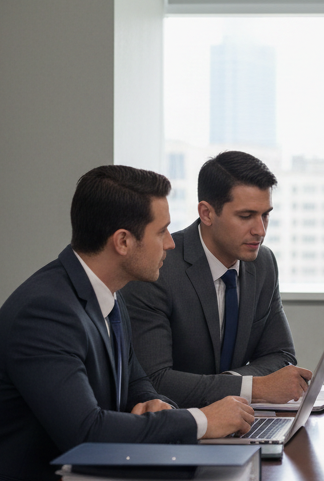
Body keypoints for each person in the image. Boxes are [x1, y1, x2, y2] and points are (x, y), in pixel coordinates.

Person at [0, 165, 255, 481]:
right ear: (123, 241)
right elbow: (87, 432)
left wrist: (157, 406)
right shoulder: (44, 313)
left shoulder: (110, 294)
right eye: (162, 232)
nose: (170, 244)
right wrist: (200, 420)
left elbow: (138, 387)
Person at [121, 151, 310, 408]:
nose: (260, 230)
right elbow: (154, 380)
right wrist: (254, 387)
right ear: (207, 213)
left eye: (265, 215)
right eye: (246, 216)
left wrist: (232, 383)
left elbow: (281, 355)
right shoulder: (158, 269)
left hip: (239, 420)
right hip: (178, 428)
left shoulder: (263, 263)